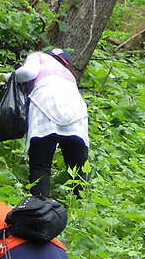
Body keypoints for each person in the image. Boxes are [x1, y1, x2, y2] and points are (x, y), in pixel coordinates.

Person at [14, 48, 89, 198]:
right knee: (79, 167)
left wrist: (8, 77)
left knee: (40, 166)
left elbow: (27, 73)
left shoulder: (39, 56)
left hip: (45, 102)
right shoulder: (69, 76)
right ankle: (82, 207)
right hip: (76, 107)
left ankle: (40, 207)